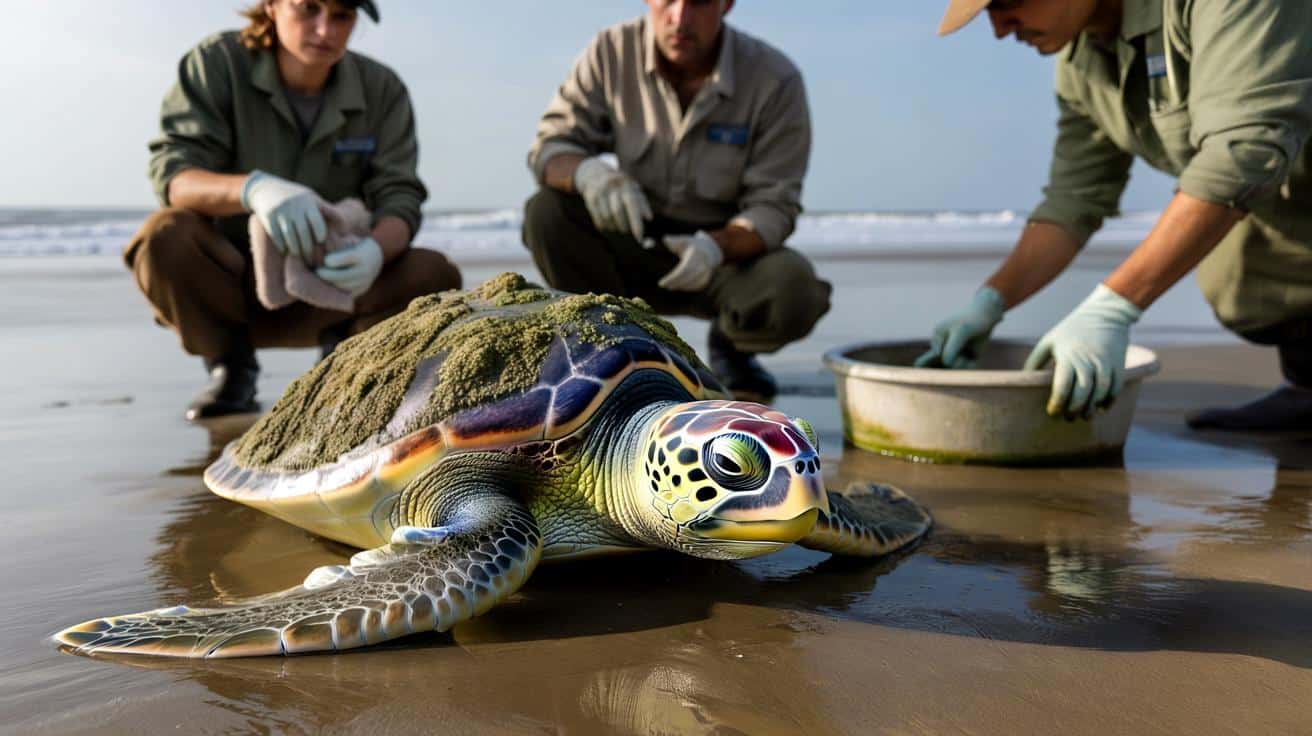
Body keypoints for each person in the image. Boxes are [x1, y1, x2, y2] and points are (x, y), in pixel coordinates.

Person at [918, 0, 1312, 431]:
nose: (1000, 28)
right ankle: (1306, 388)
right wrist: (991, 301)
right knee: (1239, 282)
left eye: (1007, 3)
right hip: (1288, 198)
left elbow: (1243, 153)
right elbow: (1075, 198)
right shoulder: (1082, 62)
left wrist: (1112, 307)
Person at [125, 0, 461, 420]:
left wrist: (376, 250)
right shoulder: (216, 64)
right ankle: (231, 368)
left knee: (433, 275)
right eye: (308, 9)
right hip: (231, 288)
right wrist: (252, 189)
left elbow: (400, 196)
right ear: (271, 6)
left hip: (335, 288)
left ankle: (345, 367)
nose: (325, 30)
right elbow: (174, 176)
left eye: (342, 16)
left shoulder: (382, 89)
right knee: (164, 236)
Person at [522, 0, 832, 401]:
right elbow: (550, 147)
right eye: (667, 0)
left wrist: (716, 247)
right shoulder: (610, 52)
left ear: (727, 4)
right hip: (629, 242)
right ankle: (603, 344)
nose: (680, 18)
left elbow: (774, 206)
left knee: (793, 289)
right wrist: (587, 173)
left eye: (698, 2)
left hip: (723, 258)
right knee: (546, 213)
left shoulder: (775, 79)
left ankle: (731, 349)